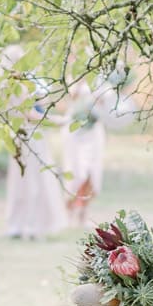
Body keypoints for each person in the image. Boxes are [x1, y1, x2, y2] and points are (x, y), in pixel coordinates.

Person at [1, 45, 67, 239]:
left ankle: (17, 224)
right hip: (29, 135)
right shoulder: (19, 85)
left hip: (16, 135)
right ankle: (31, 225)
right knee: (32, 180)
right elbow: (29, 114)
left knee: (20, 181)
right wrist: (56, 121)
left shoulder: (5, 85)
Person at [62, 79, 107, 227]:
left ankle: (83, 213)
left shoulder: (100, 78)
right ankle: (69, 212)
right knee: (74, 170)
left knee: (91, 172)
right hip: (76, 130)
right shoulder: (72, 77)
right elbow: (69, 99)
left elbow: (104, 102)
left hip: (93, 130)